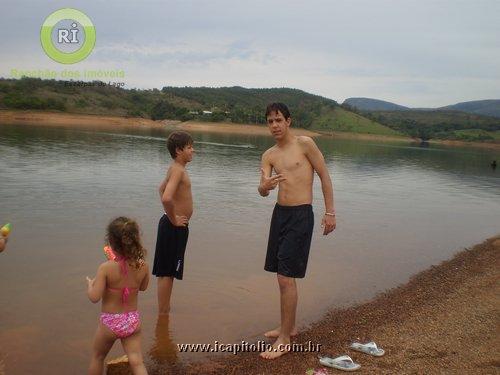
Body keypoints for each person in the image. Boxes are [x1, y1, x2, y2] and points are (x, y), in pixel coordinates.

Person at [258, 103, 336, 359]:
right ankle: (287, 327)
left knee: (285, 276)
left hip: (301, 215)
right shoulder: (269, 155)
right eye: (270, 121)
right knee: (281, 274)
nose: (274, 125)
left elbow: (324, 176)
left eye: (278, 120)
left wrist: (330, 212)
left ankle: (284, 339)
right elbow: (262, 188)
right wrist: (265, 186)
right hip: (279, 215)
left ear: (289, 121)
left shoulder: (305, 144)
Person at [86, 217, 150, 375]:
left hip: (110, 323)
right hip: (132, 321)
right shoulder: (143, 265)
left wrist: (90, 285)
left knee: (98, 357)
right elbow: (143, 288)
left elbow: (94, 297)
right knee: (136, 361)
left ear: (111, 243)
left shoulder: (106, 268)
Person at [153, 131, 194, 314]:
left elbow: (161, 189)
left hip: (172, 226)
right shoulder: (178, 170)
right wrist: (173, 219)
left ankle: (164, 311)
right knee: (167, 273)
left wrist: (172, 217)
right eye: (189, 147)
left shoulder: (175, 168)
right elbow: (166, 197)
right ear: (178, 150)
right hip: (172, 227)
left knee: (166, 272)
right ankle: (163, 314)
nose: (193, 151)